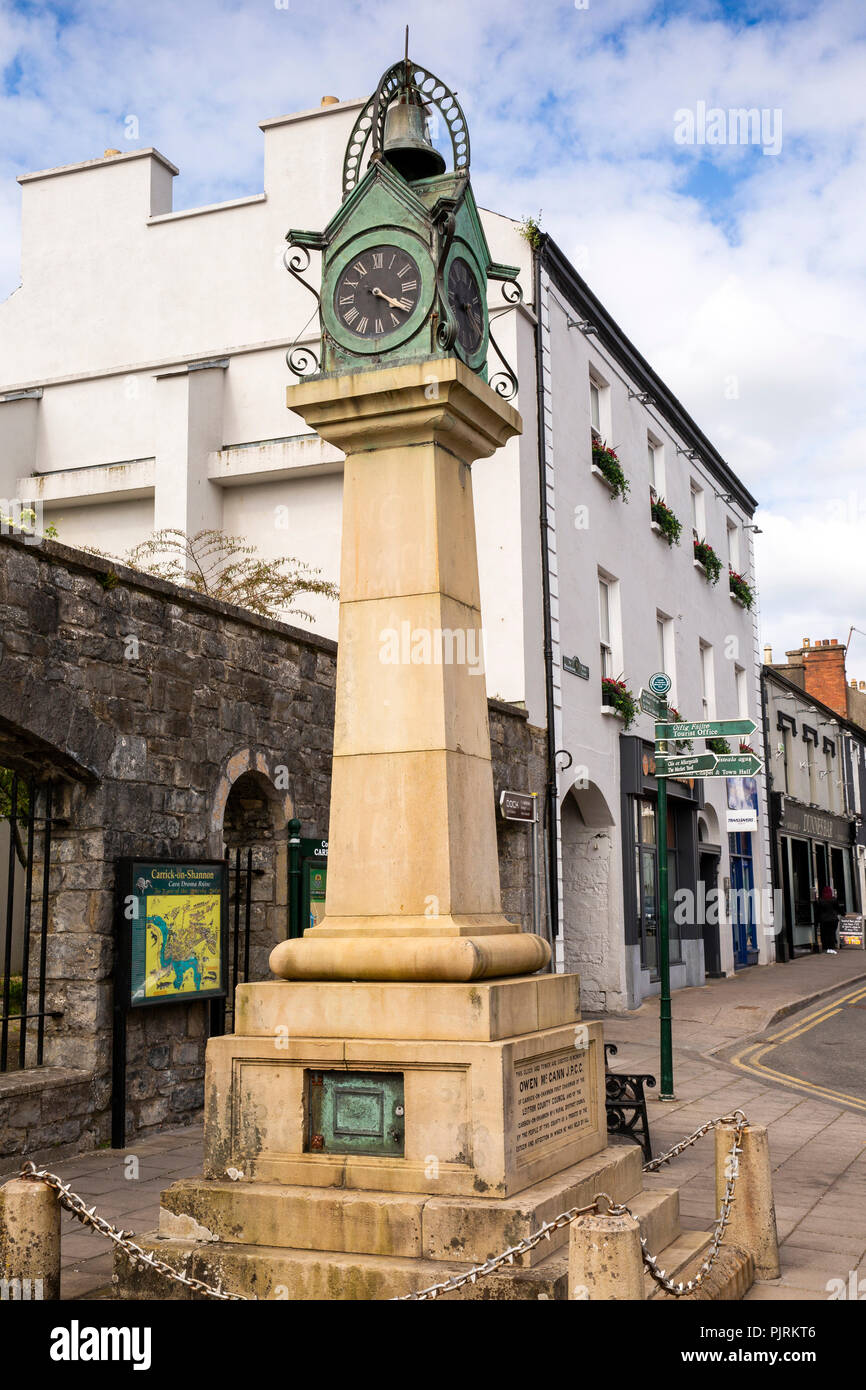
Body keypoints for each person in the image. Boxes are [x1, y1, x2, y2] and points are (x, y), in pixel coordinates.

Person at [816, 884, 839, 954]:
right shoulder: (833, 900)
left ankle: (826, 947)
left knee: (825, 933)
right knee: (832, 933)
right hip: (833, 920)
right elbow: (838, 909)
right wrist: (844, 914)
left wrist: (817, 920)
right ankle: (831, 948)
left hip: (824, 920)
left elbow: (818, 911)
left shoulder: (820, 901)